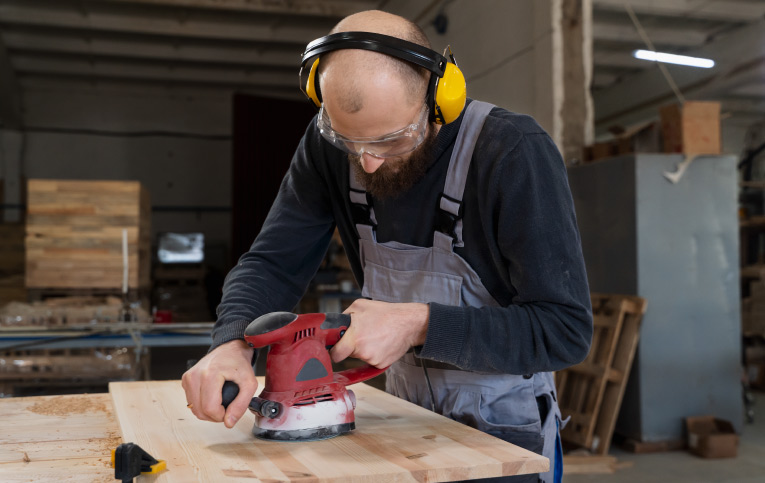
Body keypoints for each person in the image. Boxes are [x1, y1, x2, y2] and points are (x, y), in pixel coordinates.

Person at [182, 9, 592, 483]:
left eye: (392, 140)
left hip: (502, 431)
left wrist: (417, 322)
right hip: (404, 423)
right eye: (350, 143)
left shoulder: (512, 152)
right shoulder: (328, 148)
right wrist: (233, 341)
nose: (369, 163)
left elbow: (564, 331)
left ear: (440, 98)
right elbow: (273, 263)